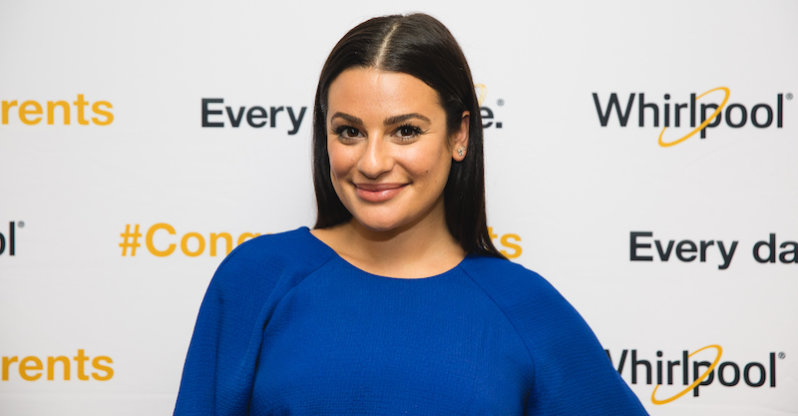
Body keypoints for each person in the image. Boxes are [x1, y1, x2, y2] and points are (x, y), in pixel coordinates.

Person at [173, 13, 648, 415]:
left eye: (405, 131)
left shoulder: (523, 305)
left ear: (459, 135)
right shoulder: (257, 278)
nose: (373, 162)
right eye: (349, 131)